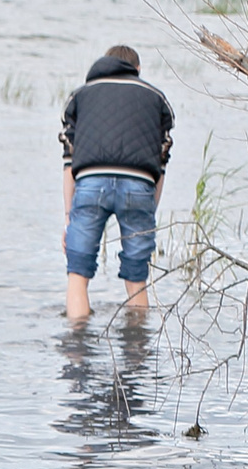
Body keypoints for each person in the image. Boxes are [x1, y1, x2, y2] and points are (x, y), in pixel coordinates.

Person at [60, 45, 172, 321]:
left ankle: (77, 349)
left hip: (90, 183)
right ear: (138, 70)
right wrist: (149, 212)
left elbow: (68, 162)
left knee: (78, 274)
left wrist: (68, 217)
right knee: (136, 278)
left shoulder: (79, 96)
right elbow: (161, 164)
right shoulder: (156, 98)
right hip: (139, 185)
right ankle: (137, 350)